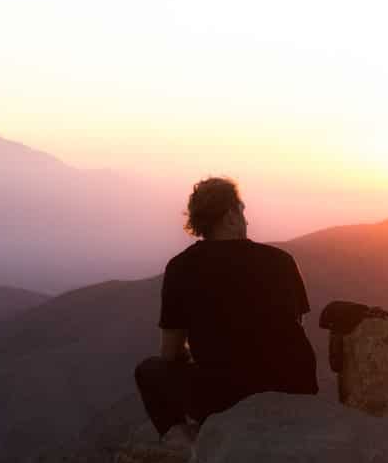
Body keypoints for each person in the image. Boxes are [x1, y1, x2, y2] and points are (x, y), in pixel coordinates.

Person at [133, 177, 317, 442]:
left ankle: (191, 446)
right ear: (231, 215)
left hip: (226, 397)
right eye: (242, 211)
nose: (247, 220)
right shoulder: (281, 261)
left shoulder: (181, 268)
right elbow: (294, 324)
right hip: (294, 387)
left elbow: (170, 352)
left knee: (148, 371)